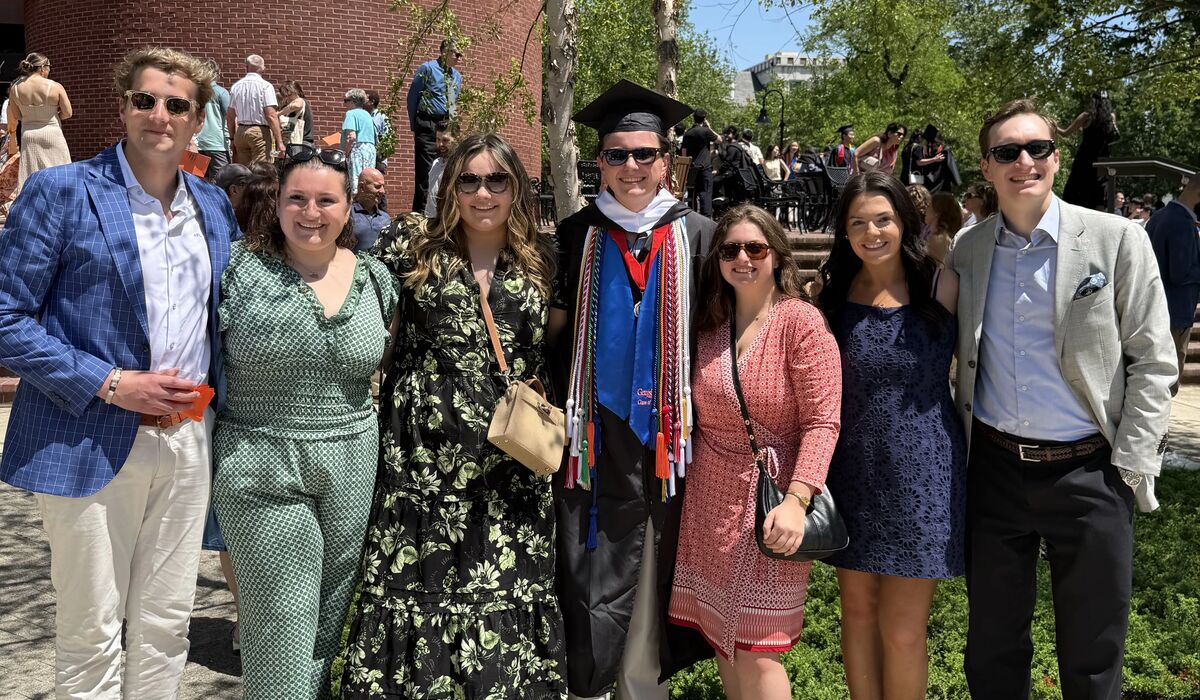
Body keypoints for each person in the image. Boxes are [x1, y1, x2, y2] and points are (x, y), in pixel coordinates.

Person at [0, 47, 236, 698]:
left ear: (197, 121)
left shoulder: (215, 209)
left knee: (166, 626)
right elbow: (6, 316)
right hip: (85, 434)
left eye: (176, 104)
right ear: (123, 107)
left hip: (188, 440)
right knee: (92, 630)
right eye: (144, 100)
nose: (158, 114)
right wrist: (110, 382)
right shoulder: (61, 191)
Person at [946, 98, 1175, 700]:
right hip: (995, 470)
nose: (1025, 161)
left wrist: (1131, 464)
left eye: (1038, 148)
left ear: (1055, 155)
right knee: (992, 649)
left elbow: (1153, 360)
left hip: (1092, 473)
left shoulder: (1118, 240)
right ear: (987, 167)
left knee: (1094, 656)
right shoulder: (967, 251)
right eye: (1007, 152)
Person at [339, 132, 567, 697]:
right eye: (469, 180)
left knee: (505, 587)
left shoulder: (544, 261)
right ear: (450, 188)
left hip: (510, 460)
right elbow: (349, 295)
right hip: (421, 461)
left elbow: (556, 353)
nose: (482, 193)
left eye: (496, 180)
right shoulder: (412, 249)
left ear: (516, 188)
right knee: (419, 583)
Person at [549, 79, 715, 700]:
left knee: (658, 565)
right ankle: (592, 684)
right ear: (599, 162)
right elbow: (555, 331)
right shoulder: (577, 235)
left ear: (665, 160)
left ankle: (645, 686)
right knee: (595, 562)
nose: (632, 168)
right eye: (616, 155)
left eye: (644, 154)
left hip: (676, 439)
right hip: (596, 434)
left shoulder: (698, 236)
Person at [669, 204, 841, 699]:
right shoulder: (709, 325)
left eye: (755, 248)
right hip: (710, 501)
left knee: (760, 649)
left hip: (773, 502)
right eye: (730, 250)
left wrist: (798, 498)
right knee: (725, 641)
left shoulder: (800, 323)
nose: (742, 258)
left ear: (777, 256)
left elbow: (823, 421)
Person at [817, 171, 964, 700]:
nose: (871, 232)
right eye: (857, 222)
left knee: (903, 630)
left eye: (883, 219)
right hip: (851, 470)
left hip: (923, 474)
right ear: (844, 231)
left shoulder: (941, 284)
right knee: (856, 614)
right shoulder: (828, 296)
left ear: (905, 221)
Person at [1146, 176, 1200, 395]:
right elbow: (1181, 273)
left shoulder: (1159, 217)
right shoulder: (1182, 223)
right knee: (1168, 384)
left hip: (1154, 310)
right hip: (1175, 314)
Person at [6, 52, 72, 199]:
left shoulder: (15, 88)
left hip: (29, 135)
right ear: (42, 67)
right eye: (49, 67)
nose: (49, 70)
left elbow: (17, 116)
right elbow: (68, 112)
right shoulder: (55, 86)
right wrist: (53, 117)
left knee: (31, 175)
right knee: (60, 173)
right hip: (52, 132)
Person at [407, 37, 462, 213]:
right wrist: (415, 125)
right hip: (427, 122)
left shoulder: (456, 76)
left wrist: (453, 129)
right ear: (444, 51)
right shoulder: (428, 69)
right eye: (456, 53)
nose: (458, 58)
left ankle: (443, 213)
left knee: (446, 169)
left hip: (445, 125)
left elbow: (453, 104)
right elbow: (412, 97)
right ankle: (420, 216)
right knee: (425, 174)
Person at [1061, 91, 1118, 210]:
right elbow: (1115, 135)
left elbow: (1065, 133)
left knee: (1077, 190)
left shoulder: (1086, 117)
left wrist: (1053, 126)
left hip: (1085, 159)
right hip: (1102, 160)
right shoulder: (1111, 118)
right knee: (1098, 192)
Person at [227, 54, 285, 164]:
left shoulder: (236, 86)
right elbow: (271, 115)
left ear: (246, 67)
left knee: (244, 171)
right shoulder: (266, 86)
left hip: (241, 131)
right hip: (259, 132)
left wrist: (232, 138)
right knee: (261, 171)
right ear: (263, 68)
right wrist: (280, 142)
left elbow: (230, 116)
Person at [197, 59, 231, 183]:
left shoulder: (195, 92)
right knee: (220, 181)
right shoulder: (221, 92)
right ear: (217, 73)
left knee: (197, 180)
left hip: (196, 142)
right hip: (217, 143)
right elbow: (230, 116)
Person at [681, 109, 718, 216]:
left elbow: (684, 153)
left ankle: (692, 215)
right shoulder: (706, 131)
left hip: (692, 168)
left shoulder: (688, 133)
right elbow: (719, 140)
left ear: (694, 118)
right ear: (704, 119)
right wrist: (709, 127)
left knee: (692, 193)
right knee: (706, 192)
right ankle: (706, 217)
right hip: (705, 167)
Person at [341, 88, 377, 195]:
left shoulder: (351, 114)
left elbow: (351, 137)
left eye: (346, 100)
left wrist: (346, 154)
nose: (345, 103)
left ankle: (355, 209)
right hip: (370, 150)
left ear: (352, 101)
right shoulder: (368, 115)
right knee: (367, 182)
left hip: (358, 150)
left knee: (355, 184)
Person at [351, 167, 391, 252]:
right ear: (362, 187)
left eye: (383, 187)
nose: (382, 191)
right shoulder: (347, 215)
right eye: (377, 186)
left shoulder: (385, 218)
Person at [422, 122, 457, 218]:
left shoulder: (459, 166)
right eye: (438, 139)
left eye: (445, 140)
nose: (440, 144)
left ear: (456, 140)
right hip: (431, 220)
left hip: (448, 222)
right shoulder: (435, 163)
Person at [913, 125, 960, 194]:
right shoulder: (944, 150)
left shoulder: (923, 149)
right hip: (942, 186)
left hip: (927, 185)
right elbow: (951, 167)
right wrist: (957, 182)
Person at [925, 191, 963, 264]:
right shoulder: (941, 235)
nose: (925, 210)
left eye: (929, 206)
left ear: (937, 212)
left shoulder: (938, 238)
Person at [277, 80, 311, 146]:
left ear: (296, 92)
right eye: (285, 95)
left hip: (302, 143)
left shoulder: (300, 100)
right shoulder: (287, 108)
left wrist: (279, 113)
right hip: (293, 142)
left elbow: (296, 105)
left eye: (289, 94)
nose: (287, 98)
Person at [366, 89, 391, 172]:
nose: (362, 103)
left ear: (372, 102)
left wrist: (380, 156)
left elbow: (388, 138)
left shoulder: (382, 117)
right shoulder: (363, 116)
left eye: (364, 100)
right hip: (365, 158)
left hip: (377, 160)